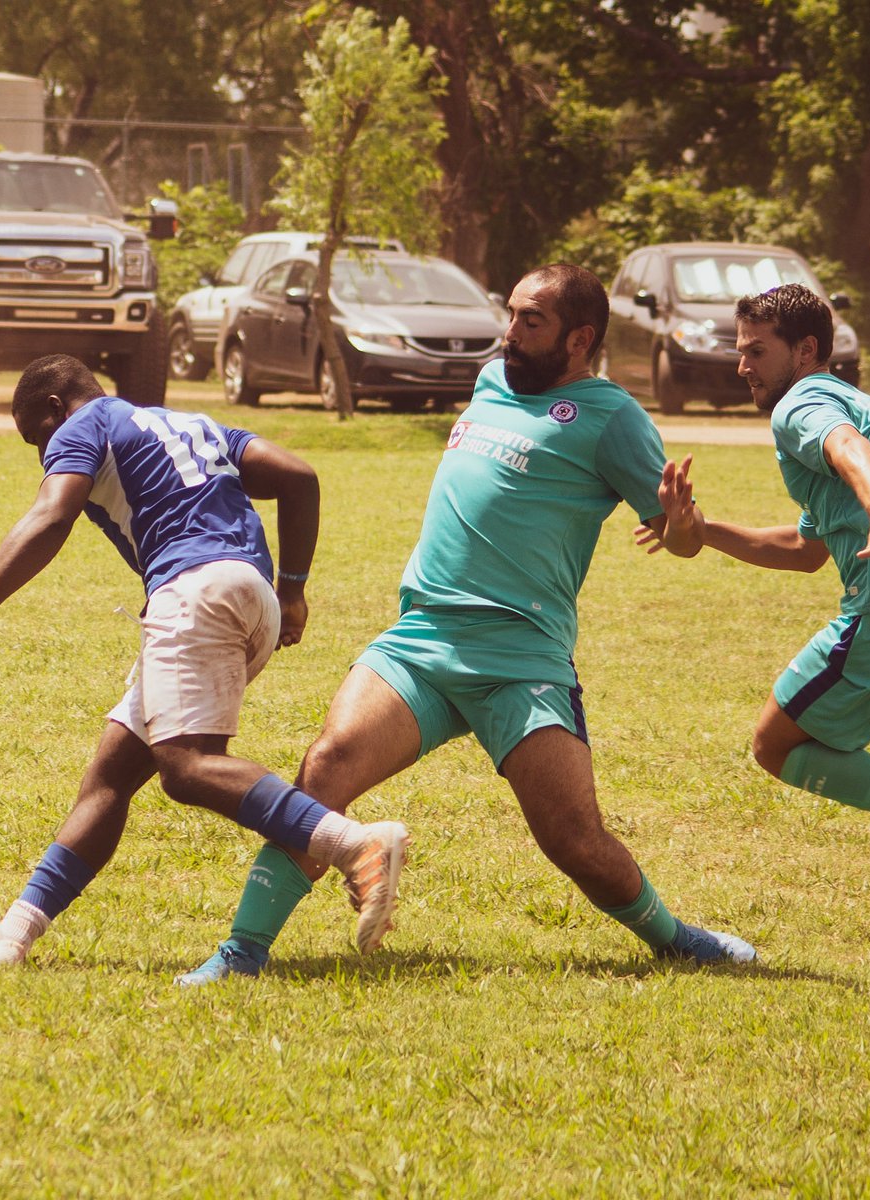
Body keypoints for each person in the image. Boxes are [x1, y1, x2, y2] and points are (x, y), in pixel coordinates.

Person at [178, 262, 758, 985]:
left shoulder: (613, 418)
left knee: (574, 840)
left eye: (531, 321)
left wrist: (683, 524)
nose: (510, 332)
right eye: (510, 314)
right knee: (325, 767)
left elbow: (680, 537)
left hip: (521, 655)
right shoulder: (491, 381)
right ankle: (242, 952)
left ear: (579, 339)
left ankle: (676, 939)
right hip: (422, 639)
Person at [0, 354, 409, 969]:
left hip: (193, 591)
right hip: (246, 593)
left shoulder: (81, 426)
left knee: (187, 766)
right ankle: (11, 939)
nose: (43, 453)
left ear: (55, 408)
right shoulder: (192, 425)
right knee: (111, 776)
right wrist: (293, 590)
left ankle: (355, 844)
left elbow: (51, 514)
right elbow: (298, 476)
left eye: (36, 437)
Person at [639, 282, 870, 917]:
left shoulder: (800, 404)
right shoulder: (861, 401)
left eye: (756, 352)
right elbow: (804, 550)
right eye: (740, 351)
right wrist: (701, 528)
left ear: (804, 351)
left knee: (774, 745)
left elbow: (845, 447)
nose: (742, 366)